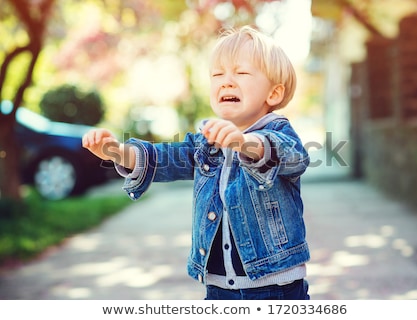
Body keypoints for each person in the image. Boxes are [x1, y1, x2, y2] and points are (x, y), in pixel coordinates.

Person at [82, 25, 311, 300]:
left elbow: (292, 156)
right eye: (217, 74)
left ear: (273, 94)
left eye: (241, 72)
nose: (226, 81)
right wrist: (117, 152)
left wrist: (244, 144)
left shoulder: (279, 133)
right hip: (217, 287)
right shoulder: (206, 142)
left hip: (276, 286)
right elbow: (163, 158)